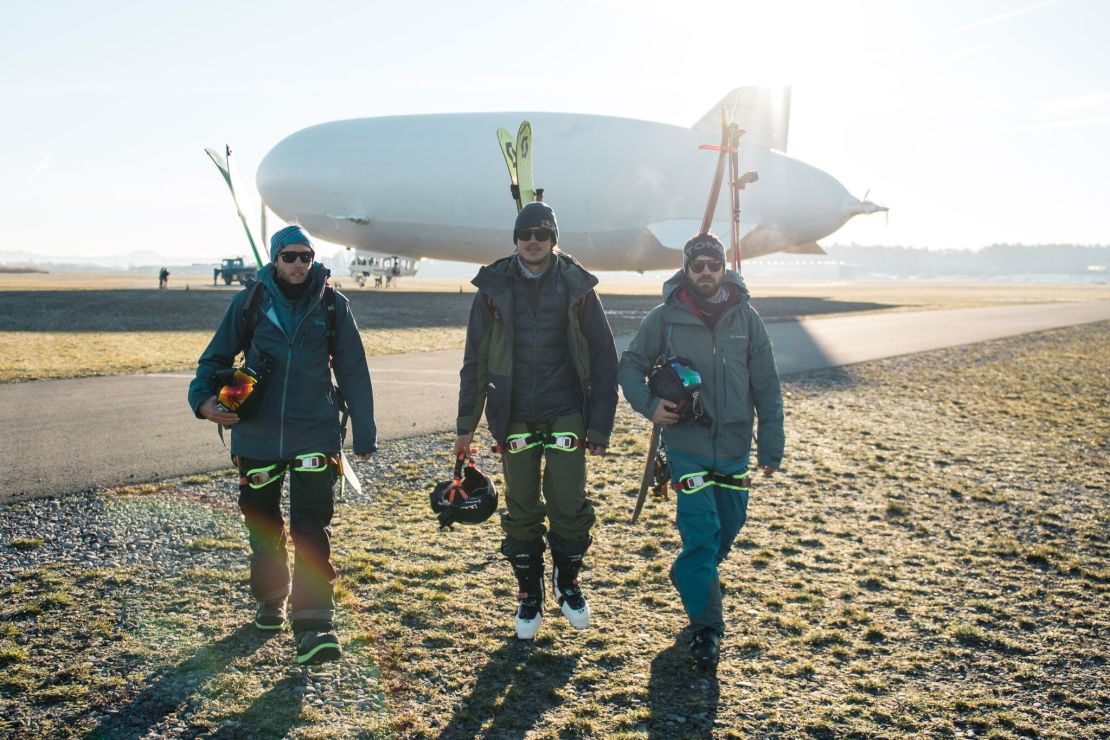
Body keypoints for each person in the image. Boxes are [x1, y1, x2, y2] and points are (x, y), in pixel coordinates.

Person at [188, 225, 376, 665]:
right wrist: (203, 403)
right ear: (275, 258)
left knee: (310, 529)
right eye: (289, 256)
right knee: (263, 526)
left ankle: (314, 626)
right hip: (255, 433)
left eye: (305, 257)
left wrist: (364, 431)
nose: (297, 264)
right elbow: (213, 360)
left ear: (313, 260)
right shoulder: (250, 302)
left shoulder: (332, 304)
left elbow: (353, 368)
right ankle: (271, 597)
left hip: (315, 431)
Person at [617, 233, 784, 670]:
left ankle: (690, 573)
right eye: (698, 266)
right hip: (686, 447)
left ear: (723, 267)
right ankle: (707, 630)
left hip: (733, 448)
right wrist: (649, 406)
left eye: (713, 264)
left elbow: (766, 385)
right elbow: (631, 364)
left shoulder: (747, 319)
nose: (705, 273)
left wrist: (771, 445)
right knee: (703, 532)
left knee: (729, 526)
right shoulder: (665, 318)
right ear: (687, 271)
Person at [454, 202, 619, 640]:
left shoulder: (578, 286)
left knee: (568, 503)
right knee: (521, 505)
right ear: (515, 237)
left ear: (553, 239)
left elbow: (605, 359)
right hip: (513, 414)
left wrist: (599, 427)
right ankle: (529, 593)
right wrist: (465, 427)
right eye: (524, 233)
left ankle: (568, 583)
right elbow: (474, 361)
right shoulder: (492, 287)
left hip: (566, 410)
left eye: (541, 235)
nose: (532, 241)